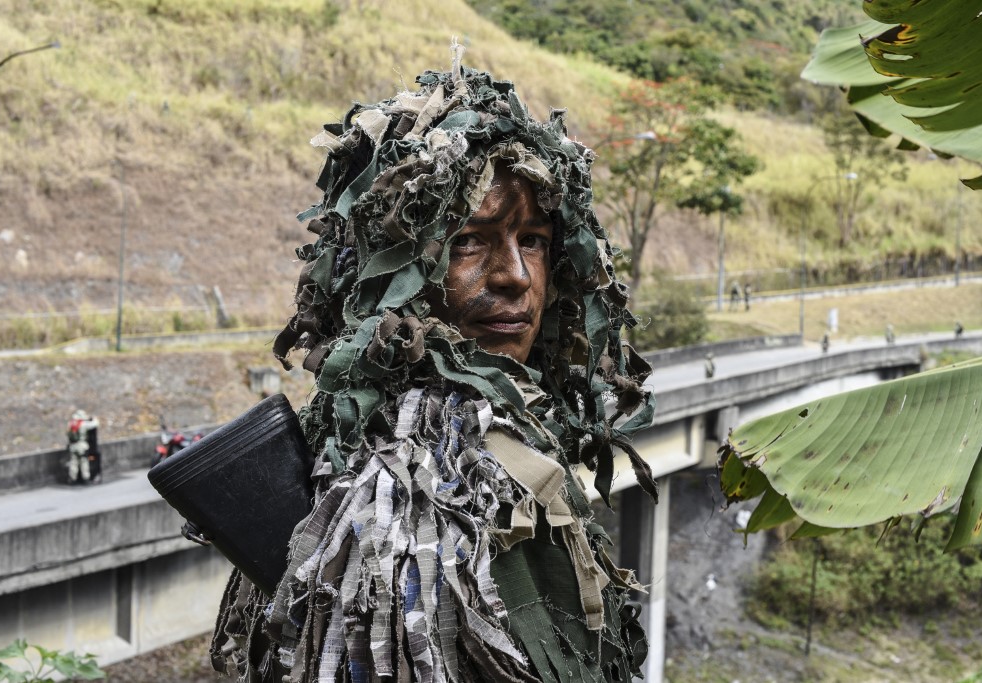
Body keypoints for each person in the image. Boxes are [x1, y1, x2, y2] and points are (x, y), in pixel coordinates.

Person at [211, 54, 655, 683]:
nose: (515, 276)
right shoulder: (402, 481)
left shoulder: (510, 438)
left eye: (533, 240)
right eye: (469, 241)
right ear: (391, 274)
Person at [66, 409, 99, 484]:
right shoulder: (83, 424)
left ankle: (72, 478)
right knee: (84, 461)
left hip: (72, 445)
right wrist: (94, 419)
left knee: (73, 462)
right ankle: (85, 478)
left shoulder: (70, 424)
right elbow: (94, 424)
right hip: (82, 445)